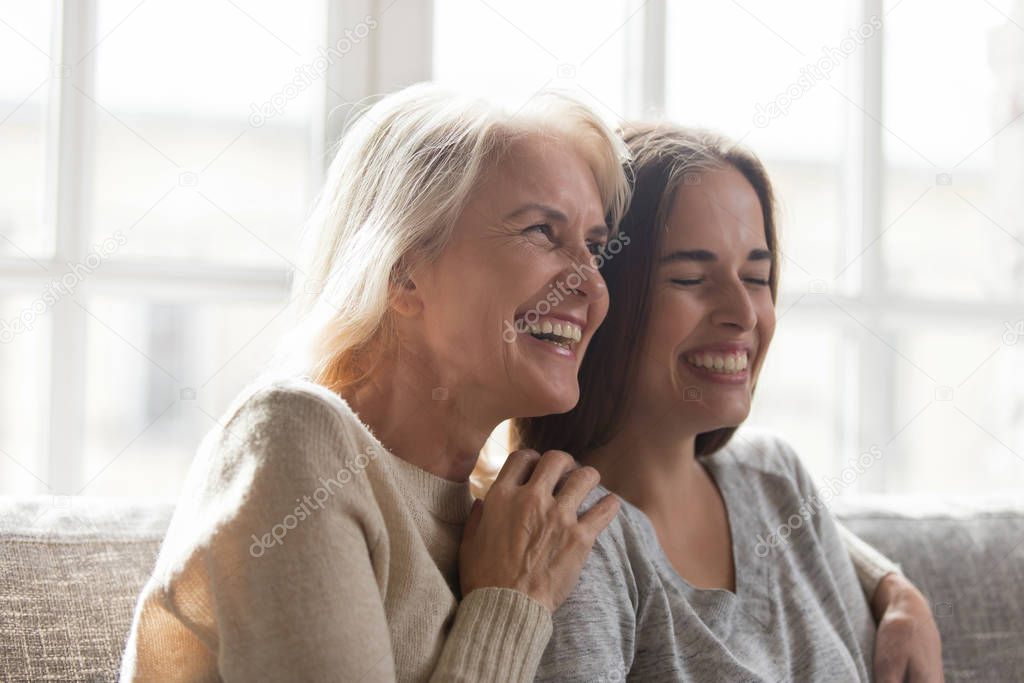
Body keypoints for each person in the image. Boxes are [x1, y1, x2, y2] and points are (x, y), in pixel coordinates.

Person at [118, 83, 629, 682]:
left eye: (594, 248)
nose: (592, 287)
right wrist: (512, 607)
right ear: (404, 272)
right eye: (542, 231)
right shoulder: (293, 436)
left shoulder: (513, 521)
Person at [519, 123, 944, 681]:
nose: (743, 313)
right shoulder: (573, 542)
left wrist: (896, 588)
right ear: (604, 297)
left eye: (757, 276)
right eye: (692, 278)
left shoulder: (775, 479)